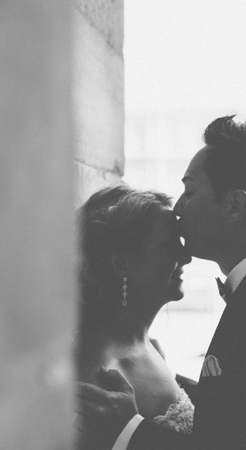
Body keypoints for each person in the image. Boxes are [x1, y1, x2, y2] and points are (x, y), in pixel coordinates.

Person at [78, 116, 246, 449]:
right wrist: (176, 390)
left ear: (236, 205)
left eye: (190, 191)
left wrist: (131, 431)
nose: (179, 208)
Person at [75, 184, 194, 449]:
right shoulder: (103, 372)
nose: (186, 257)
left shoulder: (148, 346)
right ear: (121, 264)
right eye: (169, 246)